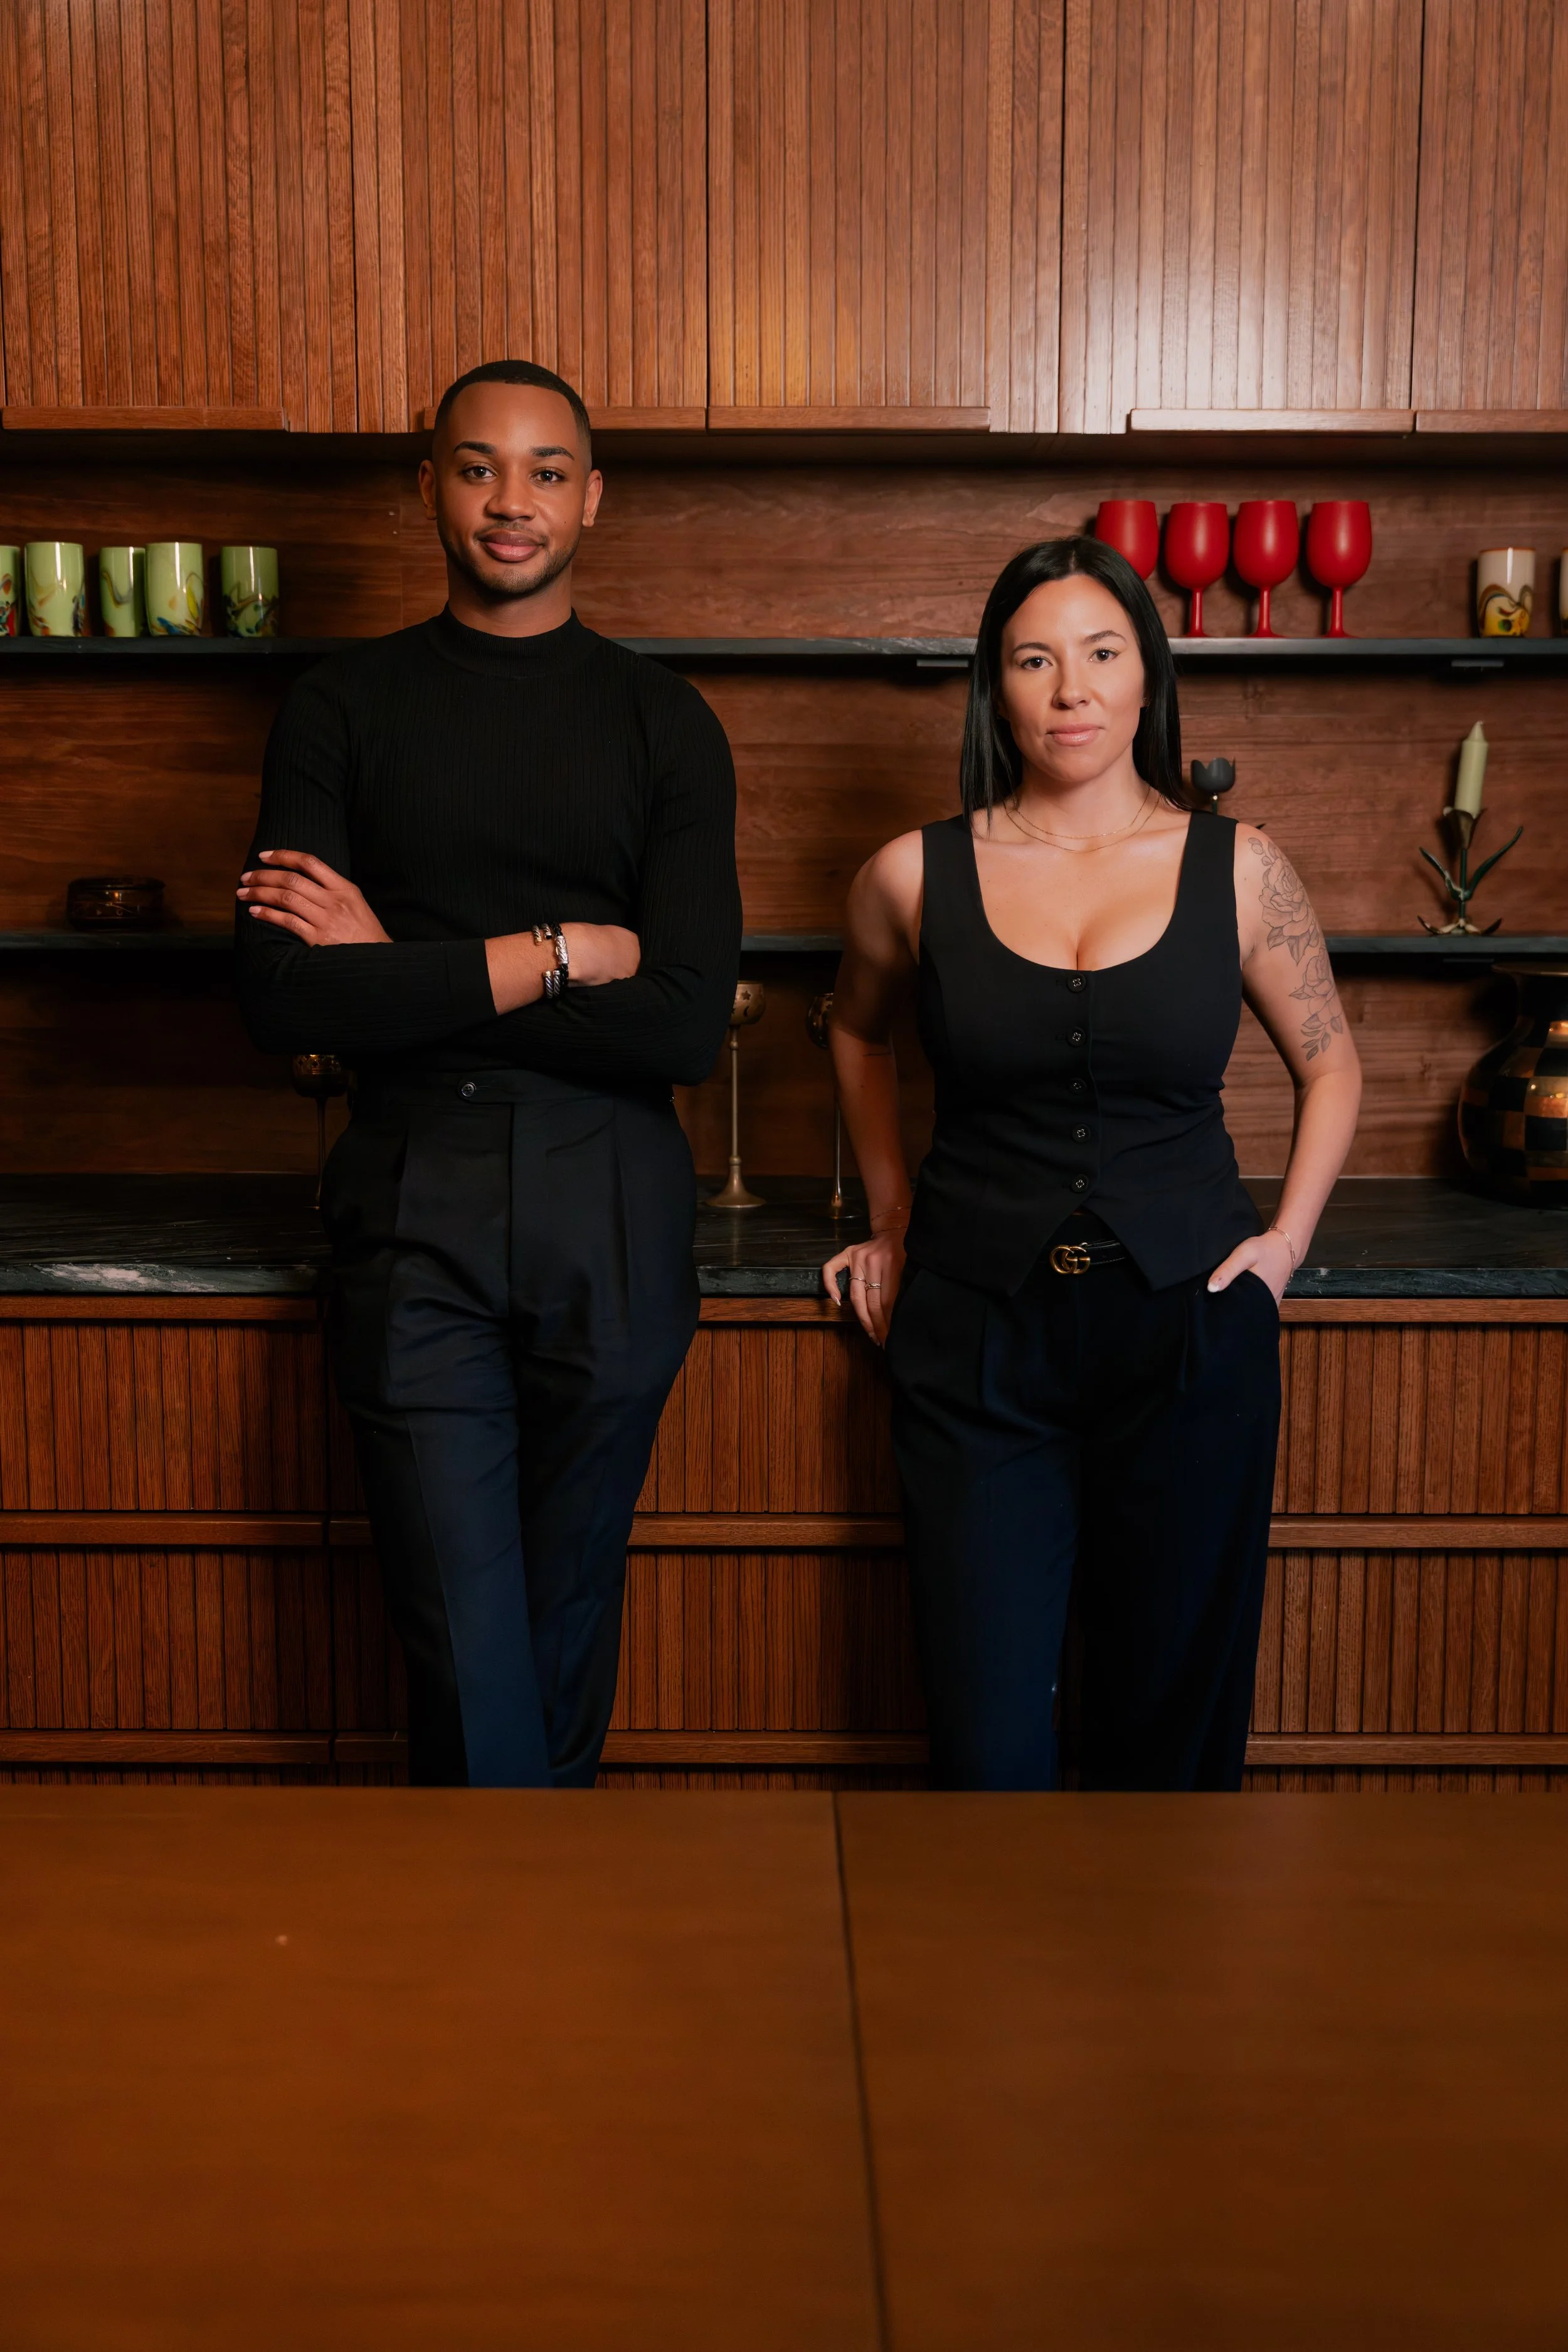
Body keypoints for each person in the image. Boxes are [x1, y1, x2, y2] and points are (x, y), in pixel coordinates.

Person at [235, 359, 741, 1788]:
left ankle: (533, 1906)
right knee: (460, 1635)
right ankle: (508, 1911)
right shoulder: (340, 706)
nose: (510, 501)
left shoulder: (664, 722)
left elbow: (681, 1027)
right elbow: (281, 997)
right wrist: (557, 954)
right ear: (429, 489)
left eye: (543, 472)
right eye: (476, 468)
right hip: (414, 1197)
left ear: (592, 499)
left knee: (565, 1617)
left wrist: (401, 973)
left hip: (614, 1201)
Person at [823, 537, 1360, 1791]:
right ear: (994, 688)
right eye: (1034, 659)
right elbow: (852, 1032)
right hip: (975, 1337)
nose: (1071, 688)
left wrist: (1282, 1247)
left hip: (1188, 1332)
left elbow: (1332, 1063)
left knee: (1170, 1741)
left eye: (1101, 652)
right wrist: (891, 1218)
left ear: (1145, 675)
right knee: (984, 1740)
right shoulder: (909, 872)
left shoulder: (1240, 867)